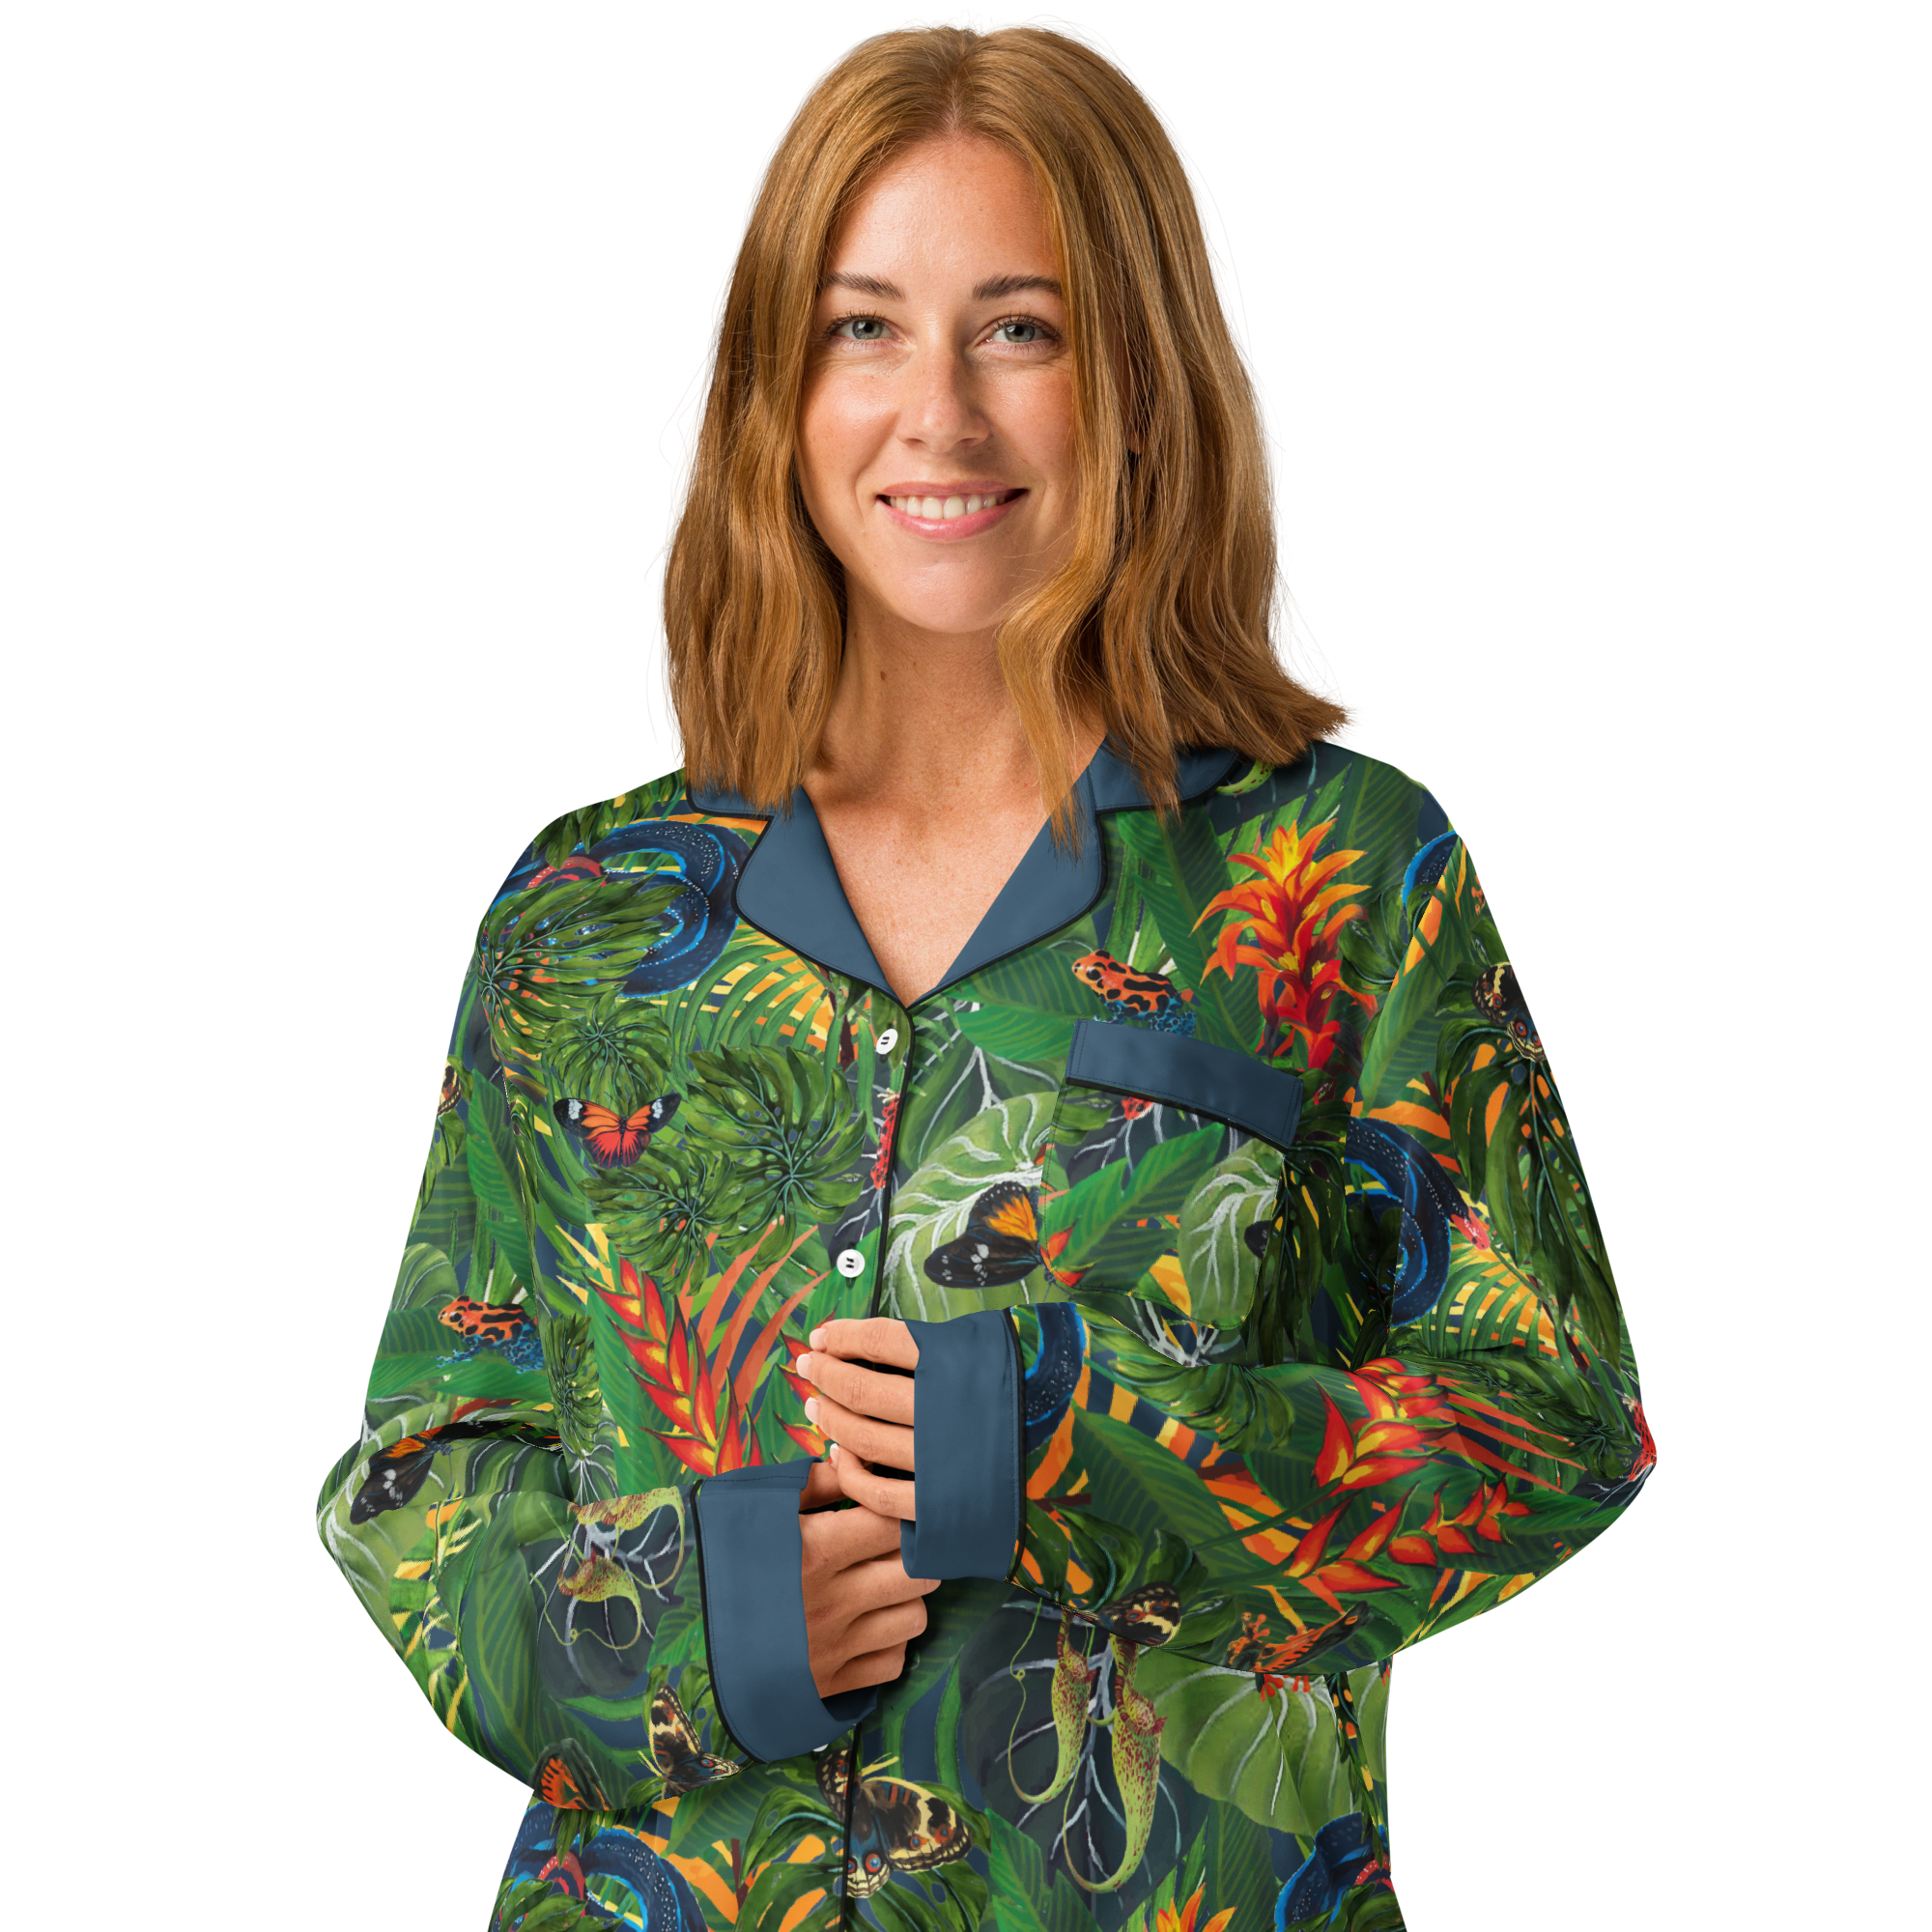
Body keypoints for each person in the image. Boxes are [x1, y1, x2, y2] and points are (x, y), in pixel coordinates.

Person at [315, 12, 1657, 1929]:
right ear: (775, 393)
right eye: (861, 328)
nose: (935, 412)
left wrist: (1077, 1441)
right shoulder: (585, 911)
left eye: (1018, 327)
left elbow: (1553, 1426)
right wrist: (698, 1624)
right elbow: (420, 1482)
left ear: (1142, 383)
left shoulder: (1344, 872)